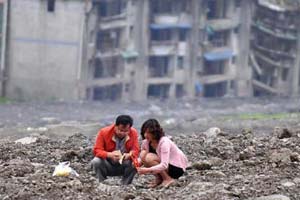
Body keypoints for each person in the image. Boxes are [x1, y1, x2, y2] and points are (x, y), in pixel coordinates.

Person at [137, 119, 188, 188]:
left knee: (148, 157)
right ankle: (159, 179)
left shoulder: (164, 142)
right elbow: (141, 159)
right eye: (144, 132)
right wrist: (136, 164)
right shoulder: (145, 142)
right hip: (164, 166)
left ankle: (167, 179)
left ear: (154, 132)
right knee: (144, 155)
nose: (146, 135)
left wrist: (147, 170)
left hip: (176, 167)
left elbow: (164, 164)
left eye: (148, 132)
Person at [91, 115, 139, 185]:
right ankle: (101, 183)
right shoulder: (104, 132)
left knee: (135, 162)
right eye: (120, 130)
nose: (122, 133)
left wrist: (129, 155)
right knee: (96, 161)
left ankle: (126, 185)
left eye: (126, 131)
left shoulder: (133, 133)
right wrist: (109, 155)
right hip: (107, 164)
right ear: (115, 126)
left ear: (130, 129)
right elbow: (97, 150)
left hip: (124, 164)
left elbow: (136, 150)